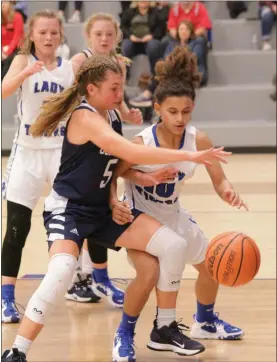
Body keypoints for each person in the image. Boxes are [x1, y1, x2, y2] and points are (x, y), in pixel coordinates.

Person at [1, 53, 230, 361]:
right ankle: (17, 350)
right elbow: (123, 149)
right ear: (92, 89)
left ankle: (163, 328)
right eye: (113, 88)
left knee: (174, 245)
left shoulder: (112, 116)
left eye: (121, 87)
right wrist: (190, 157)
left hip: (103, 211)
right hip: (68, 210)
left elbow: (113, 167)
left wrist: (116, 196)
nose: (119, 95)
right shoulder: (84, 117)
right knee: (62, 270)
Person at [111, 46, 247, 361]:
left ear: (193, 108)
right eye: (173, 112)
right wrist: (143, 178)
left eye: (186, 111)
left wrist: (228, 191)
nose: (180, 118)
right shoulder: (142, 142)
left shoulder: (198, 140)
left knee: (214, 265)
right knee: (148, 275)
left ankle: (205, 321)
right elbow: (116, 172)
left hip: (173, 216)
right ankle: (124, 335)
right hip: (140, 221)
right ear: (158, 108)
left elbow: (219, 179)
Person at [1, 9, 77, 325]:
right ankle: (6, 298)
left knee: (70, 221)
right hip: (28, 153)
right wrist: (23, 75)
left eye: (53, 33)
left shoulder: (70, 68)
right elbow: (3, 92)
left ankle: (79, 281)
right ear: (32, 35)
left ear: (60, 36)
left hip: (61, 152)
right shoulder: (21, 62)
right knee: (17, 226)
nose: (48, 38)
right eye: (42, 32)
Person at [67, 12, 143, 307]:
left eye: (109, 34)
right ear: (89, 36)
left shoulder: (119, 64)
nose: (104, 39)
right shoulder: (78, 62)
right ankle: (80, 277)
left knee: (99, 204)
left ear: (117, 37)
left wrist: (127, 112)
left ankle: (95, 278)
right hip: (83, 138)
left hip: (106, 131)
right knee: (82, 208)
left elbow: (117, 99)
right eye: (98, 34)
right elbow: (71, 102)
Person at [164, 20, 208, 86]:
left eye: (187, 29)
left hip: (194, 72)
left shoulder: (198, 42)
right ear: (177, 31)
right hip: (177, 73)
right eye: (181, 29)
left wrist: (177, 58)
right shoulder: (172, 44)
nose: (184, 31)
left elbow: (194, 58)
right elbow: (166, 59)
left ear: (191, 31)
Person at [1, 1, 24, 79]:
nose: (2, 4)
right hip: (3, 49)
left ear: (10, 4)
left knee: (8, 62)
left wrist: (7, 52)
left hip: (16, 48)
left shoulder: (17, 17)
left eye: (5, 2)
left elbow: (16, 38)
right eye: (1, 2)